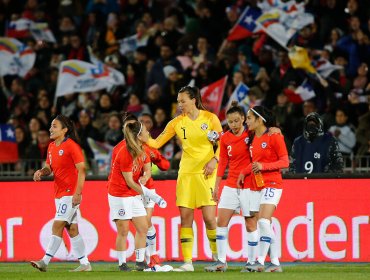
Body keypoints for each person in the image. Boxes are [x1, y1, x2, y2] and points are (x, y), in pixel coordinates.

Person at [146, 86, 222, 272]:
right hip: (186, 173)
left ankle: (218, 257)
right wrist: (140, 134)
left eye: (183, 101)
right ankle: (188, 262)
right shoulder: (176, 123)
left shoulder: (211, 118)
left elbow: (222, 144)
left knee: (210, 218)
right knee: (185, 218)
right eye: (178, 101)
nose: (179, 105)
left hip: (207, 172)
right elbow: (156, 143)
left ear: (193, 100)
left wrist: (215, 159)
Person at [30, 115, 92, 272]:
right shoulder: (51, 147)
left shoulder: (72, 146)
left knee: (57, 225)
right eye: (51, 125)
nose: (51, 128)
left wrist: (78, 193)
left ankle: (44, 261)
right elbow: (49, 167)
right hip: (59, 193)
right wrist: (41, 172)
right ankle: (85, 264)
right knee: (72, 229)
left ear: (64, 130)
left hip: (70, 194)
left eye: (55, 126)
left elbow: (82, 170)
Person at [204, 102, 258, 272]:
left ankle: (251, 262)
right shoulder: (225, 138)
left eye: (237, 121)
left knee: (250, 223)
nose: (234, 125)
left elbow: (266, 128)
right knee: (221, 222)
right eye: (230, 122)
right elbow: (222, 163)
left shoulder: (251, 134)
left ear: (243, 119)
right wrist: (217, 186)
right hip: (230, 185)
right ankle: (221, 262)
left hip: (248, 185)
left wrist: (275, 130)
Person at [107, 120, 166, 272]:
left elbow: (147, 169)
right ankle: (122, 264)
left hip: (133, 193)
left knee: (143, 227)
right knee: (124, 230)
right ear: (139, 136)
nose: (148, 133)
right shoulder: (125, 152)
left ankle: (140, 262)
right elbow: (128, 181)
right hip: (119, 194)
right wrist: (148, 194)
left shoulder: (143, 150)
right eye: (145, 131)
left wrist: (145, 177)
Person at [237, 106, 289, 272]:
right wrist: (243, 173)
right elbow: (254, 164)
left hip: (273, 183)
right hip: (257, 185)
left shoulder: (274, 136)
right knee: (264, 225)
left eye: (250, 118)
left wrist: (263, 166)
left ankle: (258, 262)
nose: (246, 121)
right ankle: (275, 263)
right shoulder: (253, 139)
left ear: (260, 120)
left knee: (263, 222)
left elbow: (285, 162)